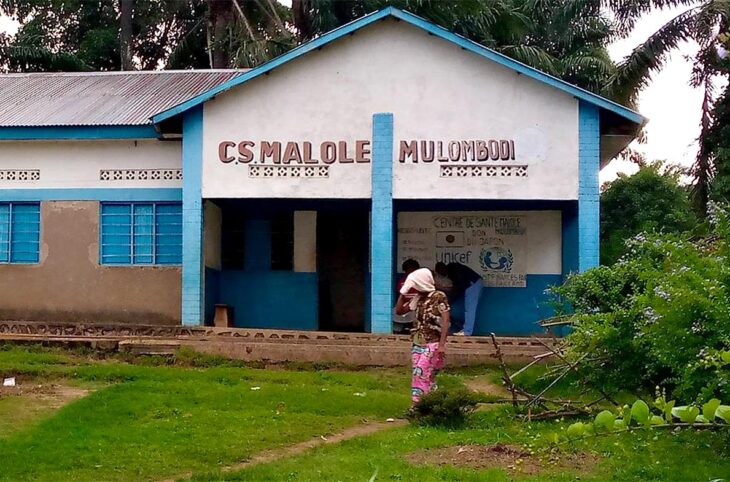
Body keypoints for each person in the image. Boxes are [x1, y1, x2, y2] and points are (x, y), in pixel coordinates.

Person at [394, 267, 451, 404]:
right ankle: (433, 402)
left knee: (421, 373)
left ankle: (418, 403)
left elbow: (445, 321)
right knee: (424, 374)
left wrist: (442, 345)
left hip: (433, 342)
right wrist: (403, 294)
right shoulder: (417, 298)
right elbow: (399, 311)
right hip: (418, 342)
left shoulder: (438, 297)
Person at [446, 262, 482, 336]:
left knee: (470, 309)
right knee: (468, 309)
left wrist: (450, 300)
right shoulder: (453, 268)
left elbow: (459, 285)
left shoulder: (453, 270)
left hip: (473, 283)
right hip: (475, 282)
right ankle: (465, 329)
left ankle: (467, 331)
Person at [392, 259, 420, 334]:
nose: (410, 272)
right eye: (408, 270)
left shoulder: (421, 281)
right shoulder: (402, 281)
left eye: (413, 270)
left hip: (418, 305)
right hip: (405, 305)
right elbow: (401, 296)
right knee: (395, 313)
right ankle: (396, 334)